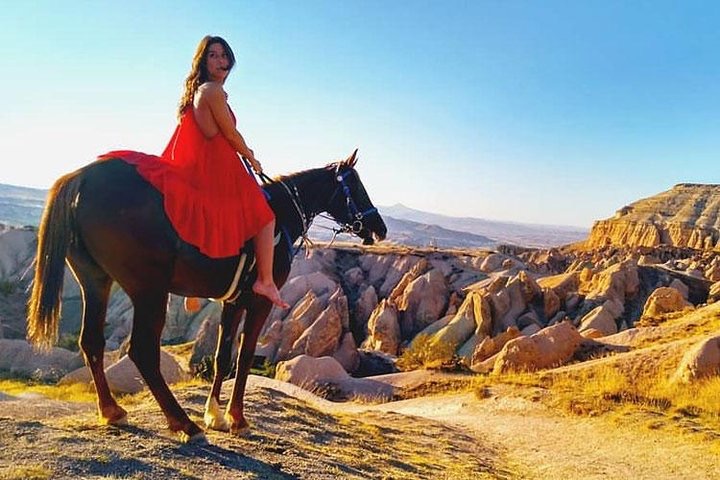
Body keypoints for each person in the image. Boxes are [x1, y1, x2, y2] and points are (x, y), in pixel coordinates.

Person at [99, 35, 288, 309]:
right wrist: (251, 156)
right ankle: (266, 281)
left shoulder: (201, 90)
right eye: (213, 55)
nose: (220, 61)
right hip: (217, 164)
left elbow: (210, 131)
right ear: (203, 61)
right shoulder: (211, 90)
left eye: (224, 55)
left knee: (210, 216)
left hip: (211, 160)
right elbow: (229, 134)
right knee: (264, 218)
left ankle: (197, 287)